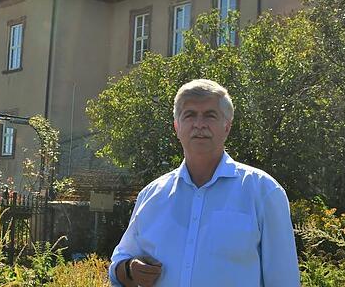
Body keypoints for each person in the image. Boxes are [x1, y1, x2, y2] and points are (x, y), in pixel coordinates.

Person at [109, 79, 300, 287]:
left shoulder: (263, 192)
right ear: (177, 126)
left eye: (210, 115)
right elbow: (119, 263)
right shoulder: (152, 196)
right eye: (190, 115)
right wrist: (129, 269)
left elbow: (284, 280)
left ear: (227, 126)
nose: (199, 124)